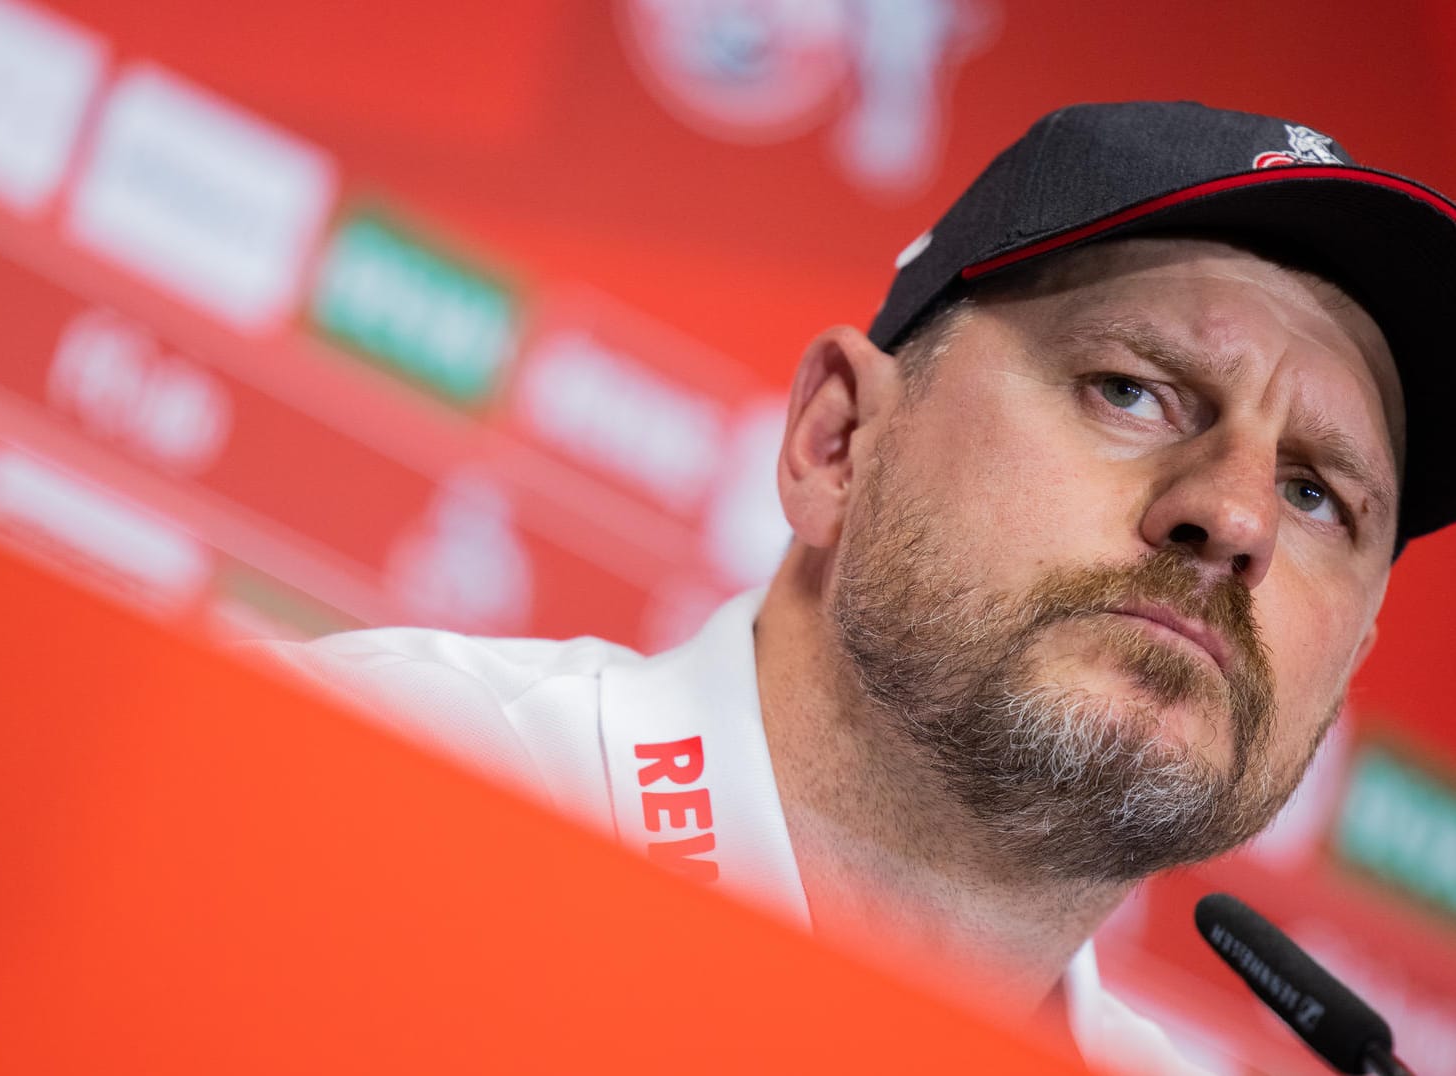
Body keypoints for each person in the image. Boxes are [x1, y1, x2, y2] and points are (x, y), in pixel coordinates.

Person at [249, 101, 1456, 1073]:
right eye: (1131, 389)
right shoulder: (377, 795)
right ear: (838, 439)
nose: (1237, 514)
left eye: (1318, 496)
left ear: (1347, 662)